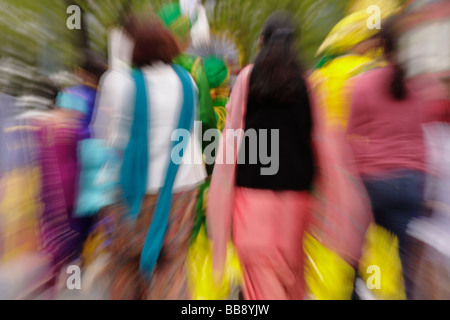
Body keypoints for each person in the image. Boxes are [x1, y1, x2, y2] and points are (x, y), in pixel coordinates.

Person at [95, 14, 206, 300]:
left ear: (135, 50)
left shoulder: (119, 83)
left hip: (131, 193)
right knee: (170, 262)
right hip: (179, 190)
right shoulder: (188, 83)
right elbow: (190, 136)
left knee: (125, 263)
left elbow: (104, 139)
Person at [207, 12, 316, 300]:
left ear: (262, 42)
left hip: (252, 202)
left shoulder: (246, 78)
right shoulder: (308, 84)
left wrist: (219, 194)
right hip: (296, 204)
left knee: (261, 289)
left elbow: (231, 137)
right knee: (291, 282)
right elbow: (317, 140)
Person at [346, 19, 427, 299]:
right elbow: (421, 139)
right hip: (411, 183)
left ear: (378, 47)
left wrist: (352, 181)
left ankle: (356, 292)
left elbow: (351, 139)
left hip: (374, 184)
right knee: (407, 263)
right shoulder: (414, 89)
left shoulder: (364, 84)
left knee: (354, 247)